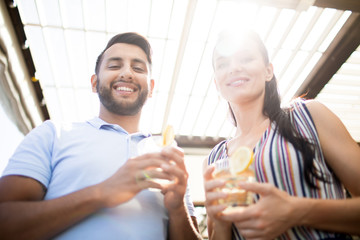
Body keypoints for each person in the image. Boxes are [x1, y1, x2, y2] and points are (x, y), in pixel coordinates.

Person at [0, 32, 202, 240]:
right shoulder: (53, 134)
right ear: (94, 83)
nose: (127, 73)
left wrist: (178, 209)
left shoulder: (168, 159)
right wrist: (103, 192)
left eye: (138, 68)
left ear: (150, 88)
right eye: (114, 66)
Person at [203, 29, 360, 240]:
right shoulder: (214, 161)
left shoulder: (308, 117)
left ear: (268, 71)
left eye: (246, 58)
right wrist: (220, 222)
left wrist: (295, 211)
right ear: (216, 83)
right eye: (223, 64)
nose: (234, 68)